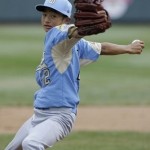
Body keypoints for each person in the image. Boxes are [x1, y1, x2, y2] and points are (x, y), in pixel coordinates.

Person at [5, 0, 144, 149]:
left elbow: (69, 32)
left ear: (66, 20)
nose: (47, 20)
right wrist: (127, 48)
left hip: (60, 116)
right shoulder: (78, 44)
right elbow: (101, 48)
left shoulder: (57, 33)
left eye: (53, 16)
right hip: (39, 115)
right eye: (44, 15)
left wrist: (79, 31)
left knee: (31, 143)